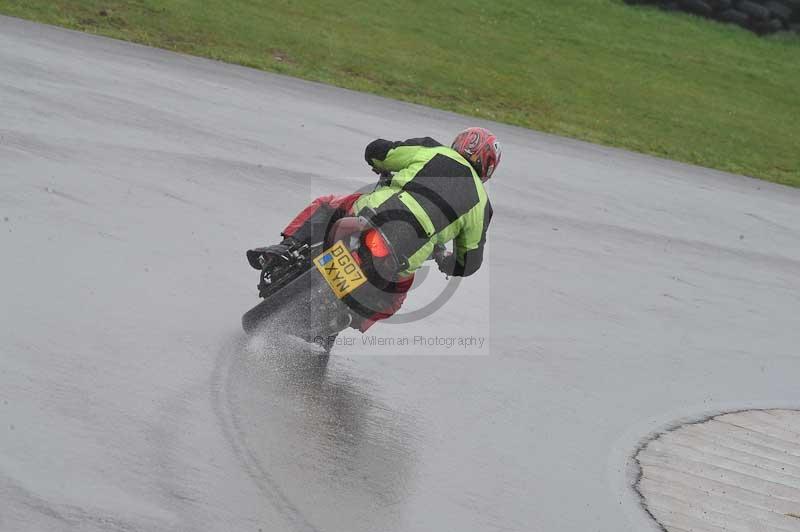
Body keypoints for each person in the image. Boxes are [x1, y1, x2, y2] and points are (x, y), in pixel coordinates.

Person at [247, 127, 500, 331]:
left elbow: (379, 151)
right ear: (488, 166)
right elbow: (470, 262)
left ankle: (287, 247)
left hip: (370, 216)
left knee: (326, 204)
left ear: (459, 143)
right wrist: (447, 262)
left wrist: (379, 161)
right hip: (399, 261)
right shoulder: (482, 206)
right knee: (395, 301)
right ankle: (353, 317)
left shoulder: (432, 150)